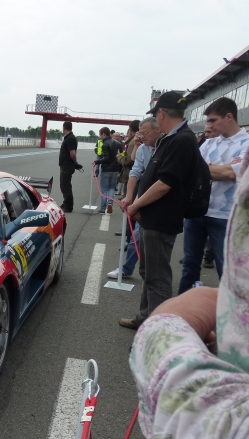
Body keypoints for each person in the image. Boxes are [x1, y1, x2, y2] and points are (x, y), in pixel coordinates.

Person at [129, 148, 249, 439]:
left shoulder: (178, 143)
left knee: (157, 278)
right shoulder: (171, 144)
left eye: (213, 121)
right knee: (174, 271)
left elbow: (218, 436)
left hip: (172, 221)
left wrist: (161, 331)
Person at [120, 91, 199, 330]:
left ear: (161, 114)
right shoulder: (170, 138)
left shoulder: (182, 140)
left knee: (158, 280)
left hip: (161, 220)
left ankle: (158, 333)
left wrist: (135, 204)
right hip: (152, 218)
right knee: (148, 272)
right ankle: (145, 318)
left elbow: (165, 184)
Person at [178, 97, 249, 294]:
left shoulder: (246, 143)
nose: (208, 125)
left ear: (229, 117)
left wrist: (210, 169)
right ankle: (183, 316)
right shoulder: (210, 143)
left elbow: (229, 174)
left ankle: (228, 319)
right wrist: (220, 169)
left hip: (227, 216)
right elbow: (191, 169)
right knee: (189, 266)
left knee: (226, 270)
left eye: (212, 120)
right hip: (198, 211)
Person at [107, 117, 163, 279]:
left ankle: (156, 277)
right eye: (139, 133)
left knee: (157, 244)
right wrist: (130, 197)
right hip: (144, 194)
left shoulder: (167, 147)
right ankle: (127, 269)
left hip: (162, 199)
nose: (141, 136)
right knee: (137, 237)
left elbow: (160, 182)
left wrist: (137, 204)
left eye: (145, 133)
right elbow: (136, 171)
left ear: (157, 129)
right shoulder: (141, 148)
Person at [94, 126, 121, 214]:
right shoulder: (118, 143)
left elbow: (107, 158)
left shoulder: (105, 144)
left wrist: (97, 161)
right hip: (116, 169)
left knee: (104, 189)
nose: (100, 137)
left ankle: (102, 208)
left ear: (104, 134)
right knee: (112, 187)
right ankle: (110, 203)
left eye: (100, 135)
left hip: (107, 169)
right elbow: (122, 155)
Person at [58, 121, 78, 213]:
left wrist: (75, 163)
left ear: (64, 127)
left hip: (67, 165)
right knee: (64, 185)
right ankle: (66, 202)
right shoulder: (69, 138)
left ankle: (68, 206)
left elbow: (72, 153)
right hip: (65, 164)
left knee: (65, 185)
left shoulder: (70, 138)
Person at [117, 120, 140, 198]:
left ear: (130, 130)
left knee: (128, 200)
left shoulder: (134, 141)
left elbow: (129, 160)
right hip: (135, 175)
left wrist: (119, 157)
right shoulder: (137, 141)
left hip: (131, 174)